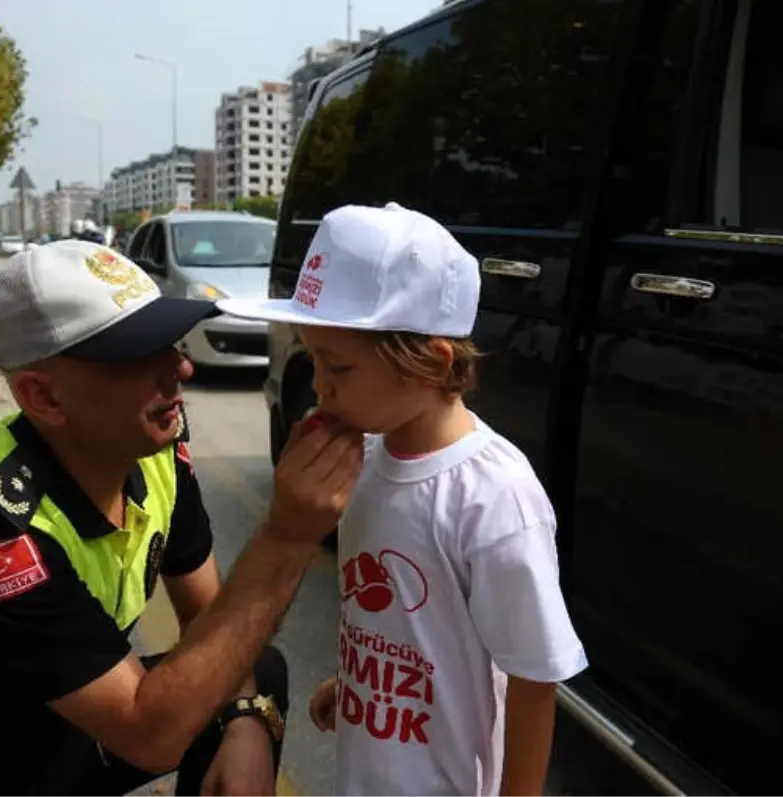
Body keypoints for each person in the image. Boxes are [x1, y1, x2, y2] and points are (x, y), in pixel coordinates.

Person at [0, 239, 365, 797]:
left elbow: (209, 616)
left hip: (35, 734)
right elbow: (149, 735)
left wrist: (245, 720)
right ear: (43, 396)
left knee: (255, 673)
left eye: (172, 340)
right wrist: (288, 536)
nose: (178, 370)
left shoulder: (154, 447)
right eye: (137, 354)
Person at [217, 202, 589, 796]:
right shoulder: (364, 458)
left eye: (339, 365)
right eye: (314, 357)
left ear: (429, 363)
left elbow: (533, 677)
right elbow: (405, 624)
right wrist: (359, 686)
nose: (318, 384)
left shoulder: (493, 496)